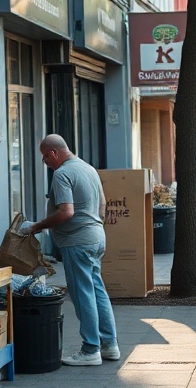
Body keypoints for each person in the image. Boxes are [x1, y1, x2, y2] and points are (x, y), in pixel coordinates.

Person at [30, 134, 120, 366]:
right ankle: (109, 345)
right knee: (97, 290)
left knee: (82, 294)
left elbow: (66, 212)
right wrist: (92, 226)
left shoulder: (62, 174)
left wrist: (36, 227)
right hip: (96, 237)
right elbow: (102, 205)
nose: (45, 163)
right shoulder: (88, 169)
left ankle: (90, 349)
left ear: (53, 153)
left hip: (77, 241)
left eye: (44, 158)